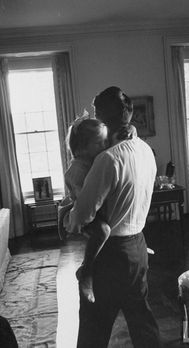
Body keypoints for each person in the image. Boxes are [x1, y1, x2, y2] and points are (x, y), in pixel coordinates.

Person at [70, 86, 162, 348]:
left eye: (98, 114)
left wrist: (70, 217)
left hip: (110, 256)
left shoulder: (107, 160)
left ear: (103, 117)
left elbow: (84, 216)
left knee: (93, 327)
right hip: (138, 248)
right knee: (143, 324)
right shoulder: (146, 151)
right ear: (129, 115)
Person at [65, 116, 111, 303]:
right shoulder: (77, 168)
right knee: (103, 230)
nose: (104, 146)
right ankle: (87, 271)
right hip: (84, 213)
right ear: (83, 146)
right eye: (99, 142)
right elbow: (85, 201)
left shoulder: (94, 159)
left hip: (95, 210)